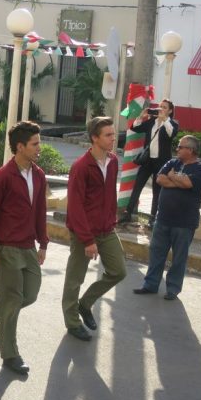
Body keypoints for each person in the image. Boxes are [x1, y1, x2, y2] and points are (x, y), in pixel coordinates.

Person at [0, 121, 48, 374]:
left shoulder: (38, 174)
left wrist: (43, 242)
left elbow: (40, 210)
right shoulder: (3, 176)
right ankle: (10, 355)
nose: (39, 148)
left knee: (30, 294)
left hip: (28, 247)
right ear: (20, 147)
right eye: (35, 144)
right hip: (6, 248)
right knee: (12, 299)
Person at [62, 117, 126, 342]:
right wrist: (88, 240)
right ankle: (72, 322)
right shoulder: (81, 166)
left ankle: (85, 303)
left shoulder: (113, 161)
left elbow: (110, 195)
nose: (113, 138)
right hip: (84, 232)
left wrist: (111, 219)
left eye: (113, 134)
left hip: (106, 229)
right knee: (75, 279)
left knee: (119, 271)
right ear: (94, 138)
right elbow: (75, 206)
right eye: (108, 135)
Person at [133, 135, 201, 300]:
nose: (177, 149)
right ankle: (150, 285)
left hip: (184, 223)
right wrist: (179, 181)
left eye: (180, 147)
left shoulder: (200, 170)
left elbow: (189, 184)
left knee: (179, 258)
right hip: (163, 219)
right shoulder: (172, 163)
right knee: (156, 254)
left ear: (191, 150)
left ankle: (172, 289)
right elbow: (160, 179)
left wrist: (173, 177)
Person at [119, 99, 179, 227]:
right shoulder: (152, 121)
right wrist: (141, 116)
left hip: (161, 162)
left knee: (157, 191)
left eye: (164, 107)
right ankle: (127, 213)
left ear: (170, 111)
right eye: (160, 106)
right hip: (147, 160)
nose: (161, 109)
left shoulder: (172, 123)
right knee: (137, 186)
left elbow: (171, 134)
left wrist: (164, 120)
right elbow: (135, 128)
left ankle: (152, 218)